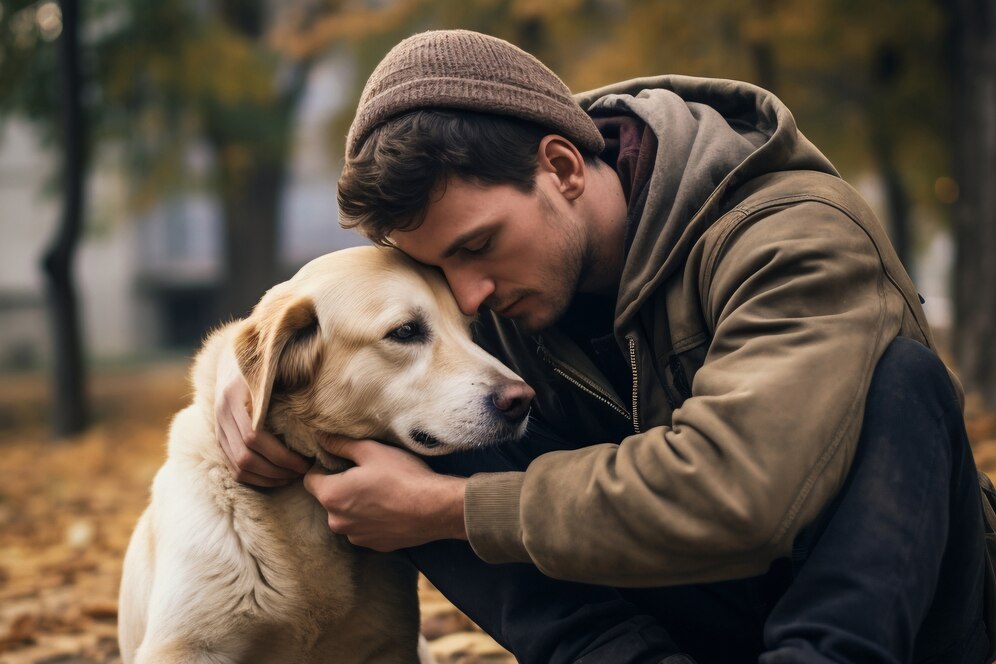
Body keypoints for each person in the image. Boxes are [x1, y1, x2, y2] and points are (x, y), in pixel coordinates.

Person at [213, 30, 995, 663]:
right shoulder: (497, 287)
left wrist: (451, 508)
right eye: (441, 269)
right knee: (421, 418)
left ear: (561, 167)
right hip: (690, 619)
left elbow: (745, 496)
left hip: (899, 612)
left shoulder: (793, 236)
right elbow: (341, 329)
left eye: (479, 245)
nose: (471, 294)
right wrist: (244, 383)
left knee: (906, 381)